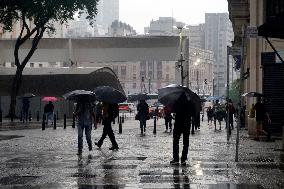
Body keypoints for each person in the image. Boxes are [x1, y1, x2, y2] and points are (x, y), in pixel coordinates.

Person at [170, 93, 192, 166]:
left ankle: (176, 159)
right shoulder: (190, 102)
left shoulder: (177, 101)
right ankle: (183, 159)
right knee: (186, 142)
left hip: (178, 124)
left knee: (176, 141)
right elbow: (194, 112)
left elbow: (173, 110)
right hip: (186, 124)